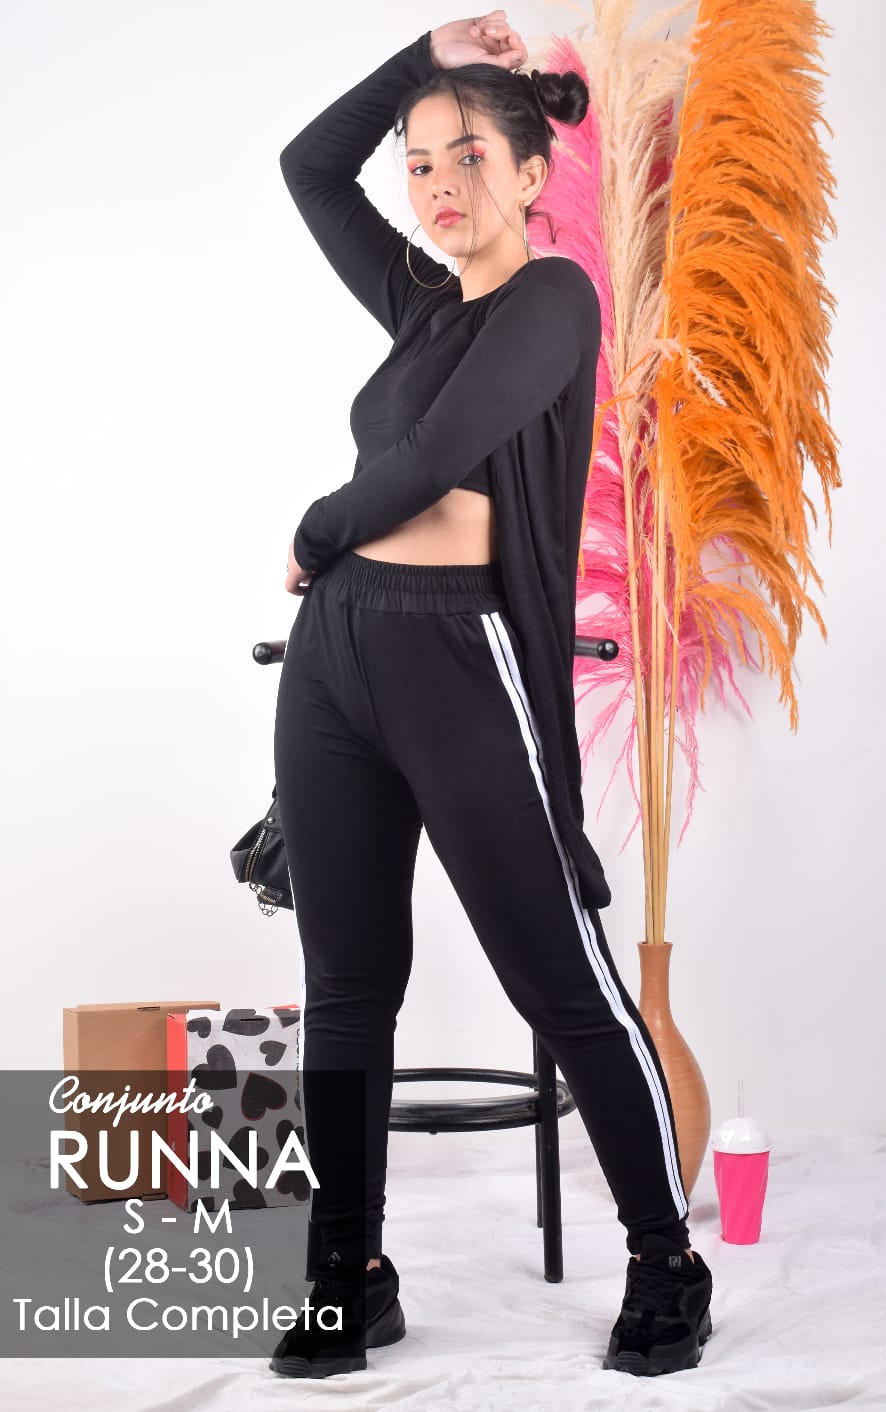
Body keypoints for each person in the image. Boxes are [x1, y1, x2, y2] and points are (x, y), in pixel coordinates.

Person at [269, 9, 713, 1381]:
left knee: (560, 981)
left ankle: (666, 1263)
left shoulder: (554, 301)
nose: (438, 183)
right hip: (336, 659)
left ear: (531, 174)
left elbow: (434, 457)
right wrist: (425, 60)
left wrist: (318, 525)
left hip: (459, 659)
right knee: (347, 987)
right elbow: (306, 166)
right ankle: (348, 1273)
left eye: (467, 156)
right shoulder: (420, 303)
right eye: (419, 163)